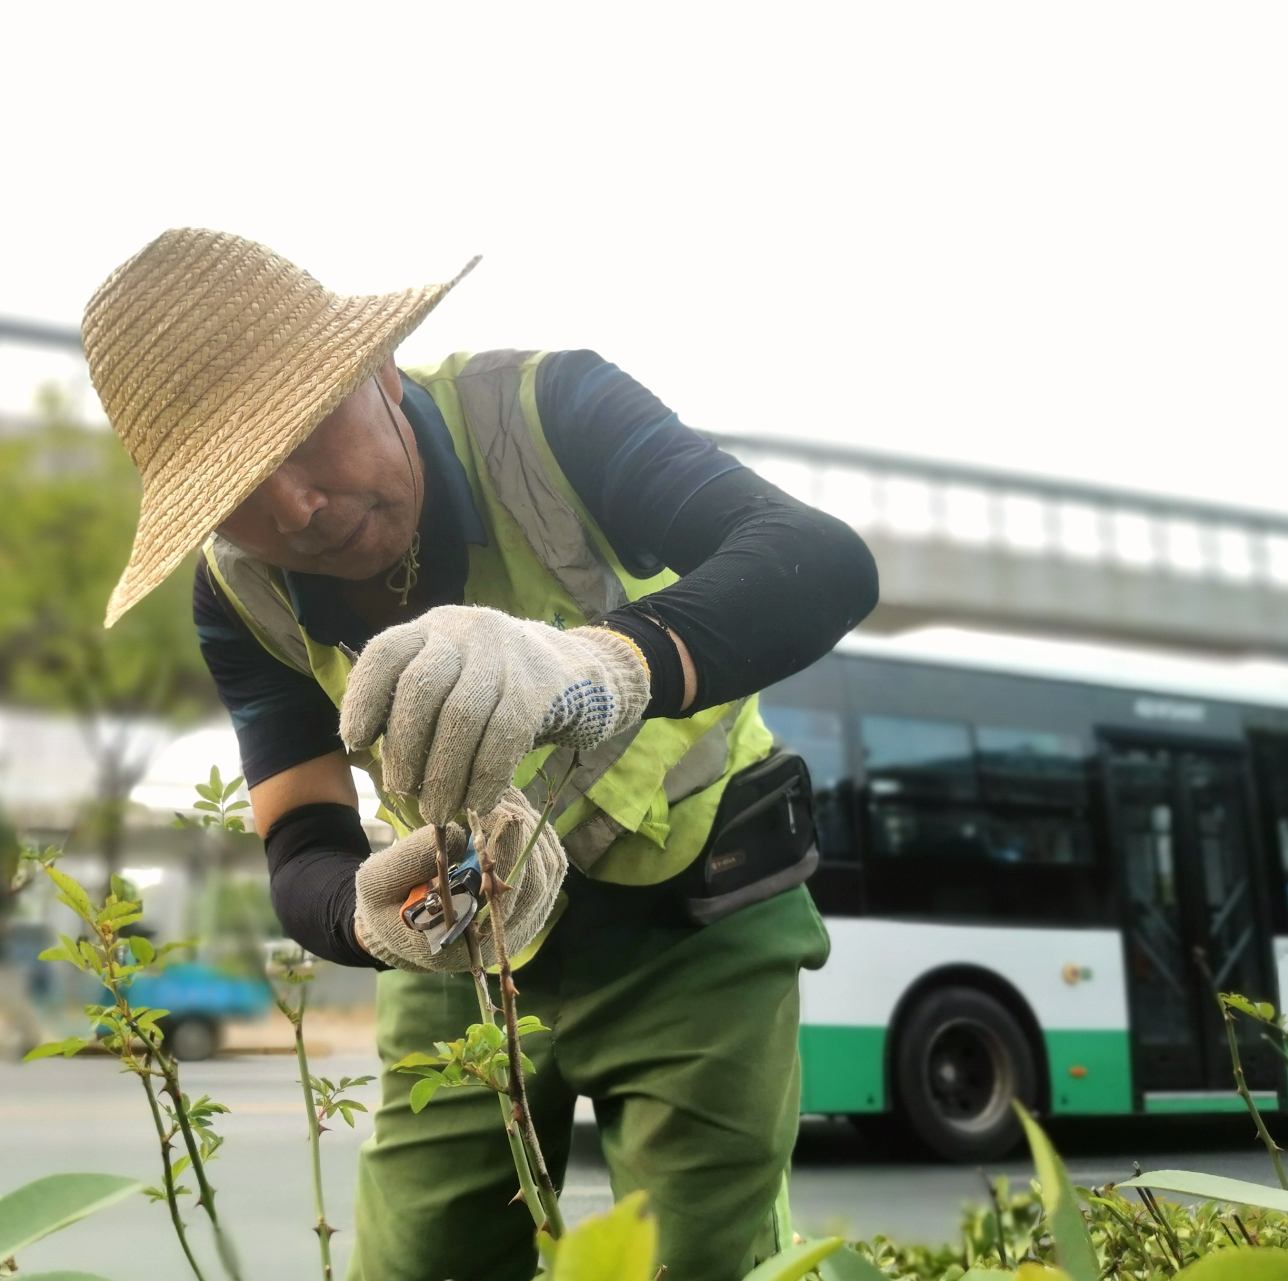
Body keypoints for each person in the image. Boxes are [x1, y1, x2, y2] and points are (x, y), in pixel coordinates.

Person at [81, 228, 879, 1280]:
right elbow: (302, 840)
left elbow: (816, 563)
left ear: (380, 369)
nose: (293, 509)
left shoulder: (550, 414)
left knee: (702, 1259)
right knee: (422, 1259)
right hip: (465, 951)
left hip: (702, 919)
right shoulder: (239, 595)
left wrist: (595, 670)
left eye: (304, 436)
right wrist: (373, 915)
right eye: (233, 491)